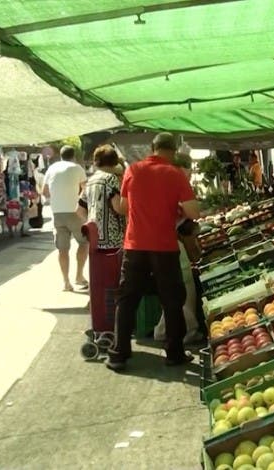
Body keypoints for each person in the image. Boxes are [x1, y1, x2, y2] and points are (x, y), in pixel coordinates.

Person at [107, 132, 200, 371]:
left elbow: (125, 207)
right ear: (174, 150)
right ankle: (175, 353)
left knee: (127, 299)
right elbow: (194, 213)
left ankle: (119, 353)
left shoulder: (133, 170)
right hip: (164, 246)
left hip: (135, 245)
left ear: (152, 147)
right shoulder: (175, 174)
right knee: (171, 300)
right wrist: (175, 208)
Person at [153, 151, 205, 346]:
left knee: (174, 286)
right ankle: (188, 330)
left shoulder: (160, 182)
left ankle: (163, 329)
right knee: (184, 285)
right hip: (170, 240)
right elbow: (193, 212)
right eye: (188, 172)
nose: (190, 177)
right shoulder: (174, 182)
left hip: (158, 240)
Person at [43, 146, 89, 291]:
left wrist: (58, 196)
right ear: (73, 156)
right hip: (75, 212)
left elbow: (44, 191)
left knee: (62, 249)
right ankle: (79, 276)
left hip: (57, 213)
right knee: (84, 242)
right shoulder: (77, 168)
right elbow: (86, 190)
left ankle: (66, 282)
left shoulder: (51, 168)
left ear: (60, 155)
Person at [77, 145, 126, 250]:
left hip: (95, 239)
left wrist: (94, 224)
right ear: (114, 161)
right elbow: (119, 208)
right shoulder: (111, 179)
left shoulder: (90, 181)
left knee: (98, 266)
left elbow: (79, 210)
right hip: (113, 240)